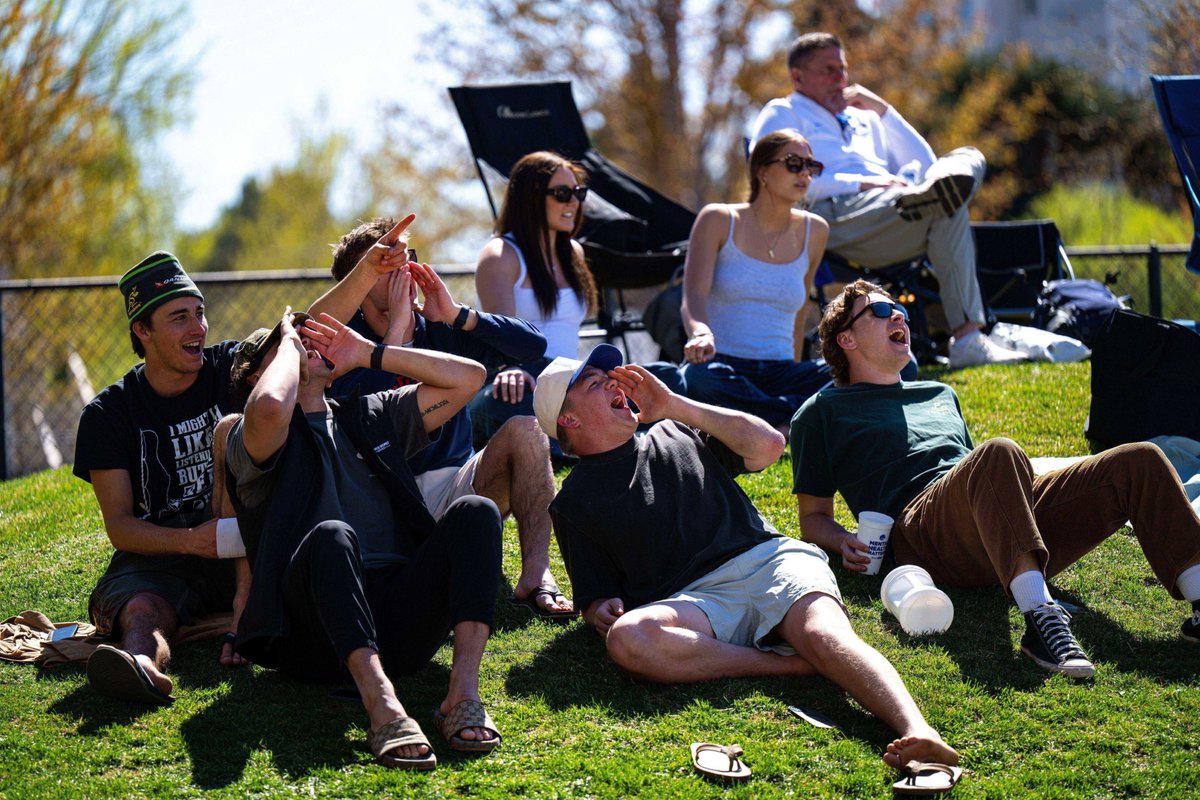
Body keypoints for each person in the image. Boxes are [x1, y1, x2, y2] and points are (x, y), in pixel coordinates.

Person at [533, 343, 960, 776]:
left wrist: (674, 404)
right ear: (569, 419)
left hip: (770, 560)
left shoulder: (674, 431)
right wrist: (599, 609)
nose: (611, 380)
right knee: (628, 638)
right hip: (697, 602)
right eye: (593, 382)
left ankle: (919, 730)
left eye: (608, 374)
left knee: (824, 634)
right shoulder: (572, 504)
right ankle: (790, 664)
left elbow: (769, 446)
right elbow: (595, 596)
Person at [792, 279, 1200, 679]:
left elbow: (975, 471)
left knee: (1140, 460)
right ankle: (1041, 619)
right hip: (921, 531)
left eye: (898, 306)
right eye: (880, 310)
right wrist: (840, 539)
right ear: (846, 339)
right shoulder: (821, 411)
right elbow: (812, 517)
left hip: (991, 522)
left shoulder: (939, 393)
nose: (897, 313)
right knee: (999, 452)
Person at [225, 308, 503, 769]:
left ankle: (462, 693)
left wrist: (370, 353)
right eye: (291, 340)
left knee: (477, 511)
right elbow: (273, 406)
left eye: (307, 335)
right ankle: (382, 706)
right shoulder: (250, 441)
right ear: (259, 374)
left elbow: (469, 379)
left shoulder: (371, 416)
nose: (307, 340)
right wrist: (291, 350)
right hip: (313, 635)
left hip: (398, 621)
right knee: (334, 536)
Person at [307, 215, 574, 618]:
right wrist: (396, 330)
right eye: (384, 264)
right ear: (357, 284)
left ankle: (536, 576)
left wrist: (457, 314)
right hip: (386, 502)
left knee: (526, 430)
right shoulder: (342, 342)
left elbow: (533, 346)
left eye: (405, 256)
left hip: (458, 482)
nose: (401, 269)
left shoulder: (440, 325)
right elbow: (376, 421)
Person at [751, 31, 1026, 369]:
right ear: (798, 77)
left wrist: (884, 111)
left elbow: (927, 164)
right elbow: (772, 173)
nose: (841, 79)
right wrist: (864, 183)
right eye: (829, 70)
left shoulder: (863, 116)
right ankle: (966, 335)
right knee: (942, 203)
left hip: (892, 211)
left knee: (964, 162)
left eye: (843, 68)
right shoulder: (784, 112)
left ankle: (967, 334)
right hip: (833, 216)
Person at [73, 252, 249, 706]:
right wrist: (193, 541)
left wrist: (366, 270)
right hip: (164, 554)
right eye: (179, 318)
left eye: (200, 312)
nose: (199, 328)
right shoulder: (106, 415)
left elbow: (303, 333)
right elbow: (121, 527)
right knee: (141, 610)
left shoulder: (231, 367)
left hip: (247, 541)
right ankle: (140, 667)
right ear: (142, 331)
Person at [680, 128, 832, 432]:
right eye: (793, 163)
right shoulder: (718, 219)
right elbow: (692, 297)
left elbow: (799, 311)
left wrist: (794, 368)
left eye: (810, 166)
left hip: (782, 371)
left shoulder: (815, 231)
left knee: (889, 365)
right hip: (723, 366)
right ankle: (794, 417)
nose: (805, 173)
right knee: (698, 379)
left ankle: (757, 420)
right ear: (762, 170)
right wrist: (699, 333)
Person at [471, 150, 599, 450]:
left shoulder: (574, 253)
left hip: (569, 376)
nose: (573, 202)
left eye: (578, 192)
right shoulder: (501, 254)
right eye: (562, 193)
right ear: (531, 198)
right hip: (520, 375)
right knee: (513, 404)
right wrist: (510, 370)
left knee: (649, 379)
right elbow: (503, 336)